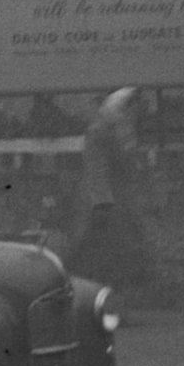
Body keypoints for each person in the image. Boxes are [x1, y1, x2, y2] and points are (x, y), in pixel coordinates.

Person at [71, 87, 158, 289]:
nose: (138, 112)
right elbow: (102, 168)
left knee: (114, 251)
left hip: (111, 201)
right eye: (135, 108)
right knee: (102, 250)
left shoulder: (113, 132)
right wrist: (102, 202)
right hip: (103, 203)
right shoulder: (101, 132)